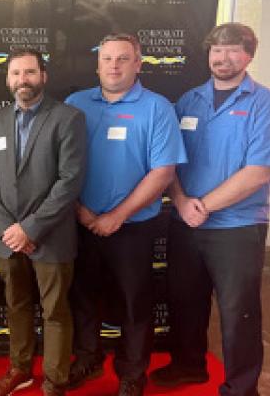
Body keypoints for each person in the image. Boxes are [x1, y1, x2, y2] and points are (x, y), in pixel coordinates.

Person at [149, 23, 270, 396]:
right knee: (185, 301)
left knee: (238, 313)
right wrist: (182, 201)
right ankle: (189, 366)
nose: (223, 58)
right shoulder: (189, 101)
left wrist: (202, 206)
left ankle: (241, 386)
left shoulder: (263, 103)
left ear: (249, 54)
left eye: (233, 50)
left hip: (237, 226)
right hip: (185, 221)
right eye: (217, 50)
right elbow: (169, 161)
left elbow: (257, 172)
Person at [64, 33, 186, 396]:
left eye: (122, 59)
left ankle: (132, 371)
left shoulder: (157, 108)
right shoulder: (75, 104)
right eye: (107, 59)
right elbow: (58, 165)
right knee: (82, 298)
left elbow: (163, 172)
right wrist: (80, 211)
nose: (113, 66)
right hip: (81, 223)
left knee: (135, 304)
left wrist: (117, 215)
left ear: (138, 64)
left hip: (134, 228)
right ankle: (86, 357)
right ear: (97, 64)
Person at [0, 49, 86, 396]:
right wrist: (10, 229)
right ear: (8, 79)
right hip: (7, 238)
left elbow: (70, 180)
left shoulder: (68, 118)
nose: (21, 80)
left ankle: (55, 381)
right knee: (17, 305)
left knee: (55, 311)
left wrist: (31, 228)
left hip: (51, 236)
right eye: (15, 74)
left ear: (43, 75)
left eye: (29, 72)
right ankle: (19, 369)